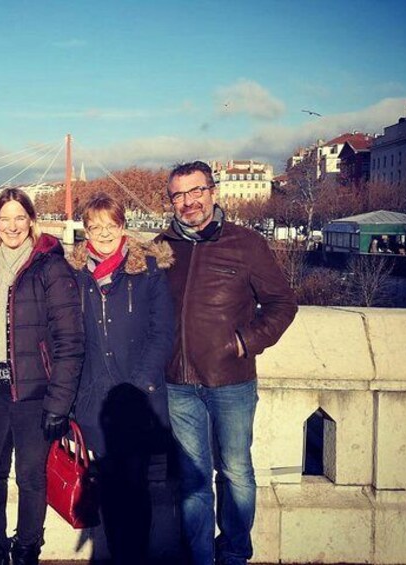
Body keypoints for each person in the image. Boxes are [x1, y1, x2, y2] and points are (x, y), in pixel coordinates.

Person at [156, 161, 298, 565]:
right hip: (177, 383)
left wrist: (244, 342)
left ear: (212, 192)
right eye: (179, 195)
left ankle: (234, 553)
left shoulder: (246, 243)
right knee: (193, 479)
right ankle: (200, 557)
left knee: (236, 472)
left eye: (196, 191)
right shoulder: (162, 247)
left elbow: (282, 303)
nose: (189, 201)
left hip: (231, 381)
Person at [0, 188, 84, 565]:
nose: (12, 226)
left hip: (34, 394)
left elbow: (70, 339)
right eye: (4, 219)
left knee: (31, 479)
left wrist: (59, 403)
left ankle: (26, 549)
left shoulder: (50, 267)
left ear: (32, 221)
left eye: (20, 218)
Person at [66, 193, 175, 564]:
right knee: (109, 489)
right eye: (95, 227)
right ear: (85, 232)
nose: (104, 234)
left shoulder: (148, 269)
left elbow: (162, 332)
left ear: (123, 226)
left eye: (111, 225)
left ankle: (134, 557)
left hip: (137, 399)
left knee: (136, 486)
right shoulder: (75, 274)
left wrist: (138, 385)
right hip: (95, 401)